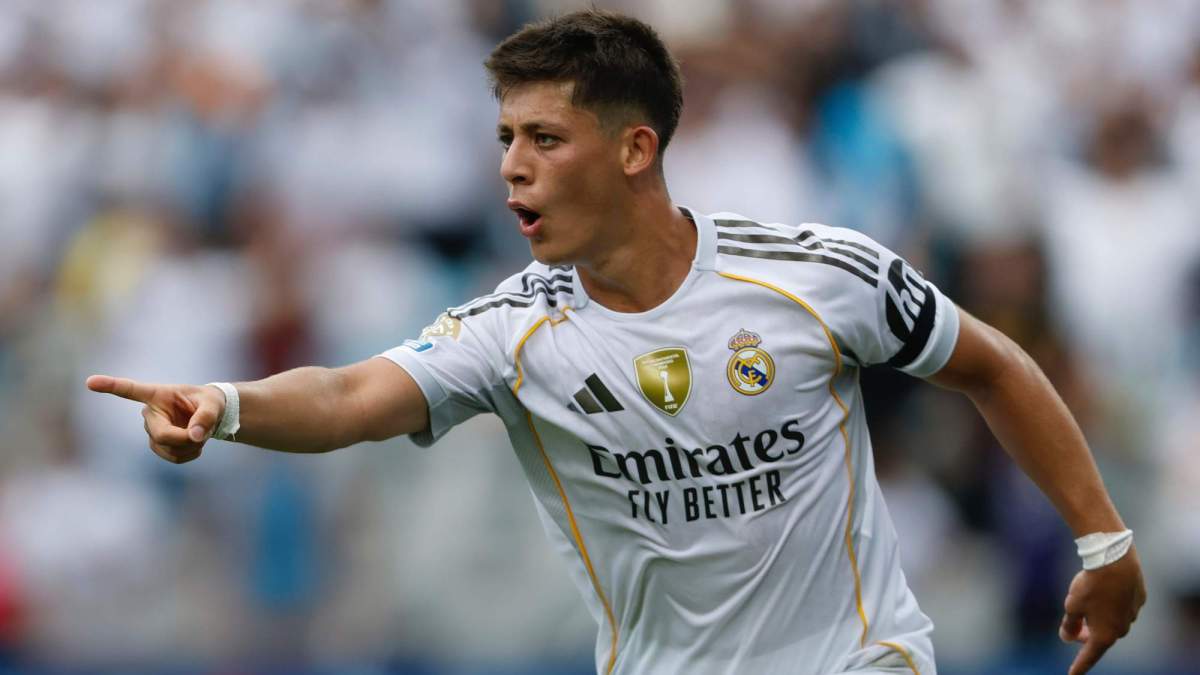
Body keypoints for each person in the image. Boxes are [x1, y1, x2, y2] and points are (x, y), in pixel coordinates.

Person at [87, 10, 1145, 675]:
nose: (512, 168)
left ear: (637, 149)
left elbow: (991, 364)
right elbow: (353, 395)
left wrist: (1104, 541)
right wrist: (226, 408)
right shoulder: (512, 332)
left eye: (545, 138)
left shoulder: (819, 272)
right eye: (505, 138)